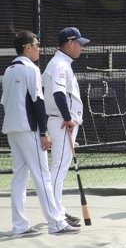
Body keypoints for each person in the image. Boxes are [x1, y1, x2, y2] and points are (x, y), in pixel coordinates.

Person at [1, 30, 79, 236]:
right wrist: (44, 132)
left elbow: (5, 103)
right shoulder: (31, 70)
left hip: (12, 130)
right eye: (36, 45)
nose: (38, 49)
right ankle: (56, 223)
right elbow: (37, 102)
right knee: (43, 176)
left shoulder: (8, 70)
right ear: (27, 48)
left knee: (19, 178)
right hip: (29, 129)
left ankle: (20, 226)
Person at [42, 27, 90, 229]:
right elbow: (59, 95)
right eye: (79, 43)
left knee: (59, 169)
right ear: (70, 43)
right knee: (58, 170)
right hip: (62, 123)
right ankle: (56, 216)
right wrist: (68, 118)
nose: (81, 47)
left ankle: (58, 211)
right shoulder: (60, 64)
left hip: (60, 121)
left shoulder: (61, 63)